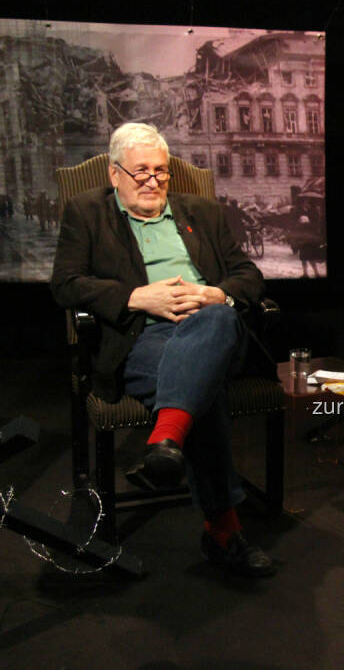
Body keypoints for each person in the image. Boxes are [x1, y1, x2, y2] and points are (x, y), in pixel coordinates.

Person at [50, 122, 275, 577]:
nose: (153, 181)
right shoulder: (87, 212)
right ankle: (223, 531)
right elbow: (66, 284)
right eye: (140, 173)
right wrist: (136, 297)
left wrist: (215, 294)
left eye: (161, 172)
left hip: (215, 331)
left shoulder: (203, 212)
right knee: (200, 389)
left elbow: (249, 275)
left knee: (214, 319)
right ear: (115, 175)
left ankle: (165, 437)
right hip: (141, 339)